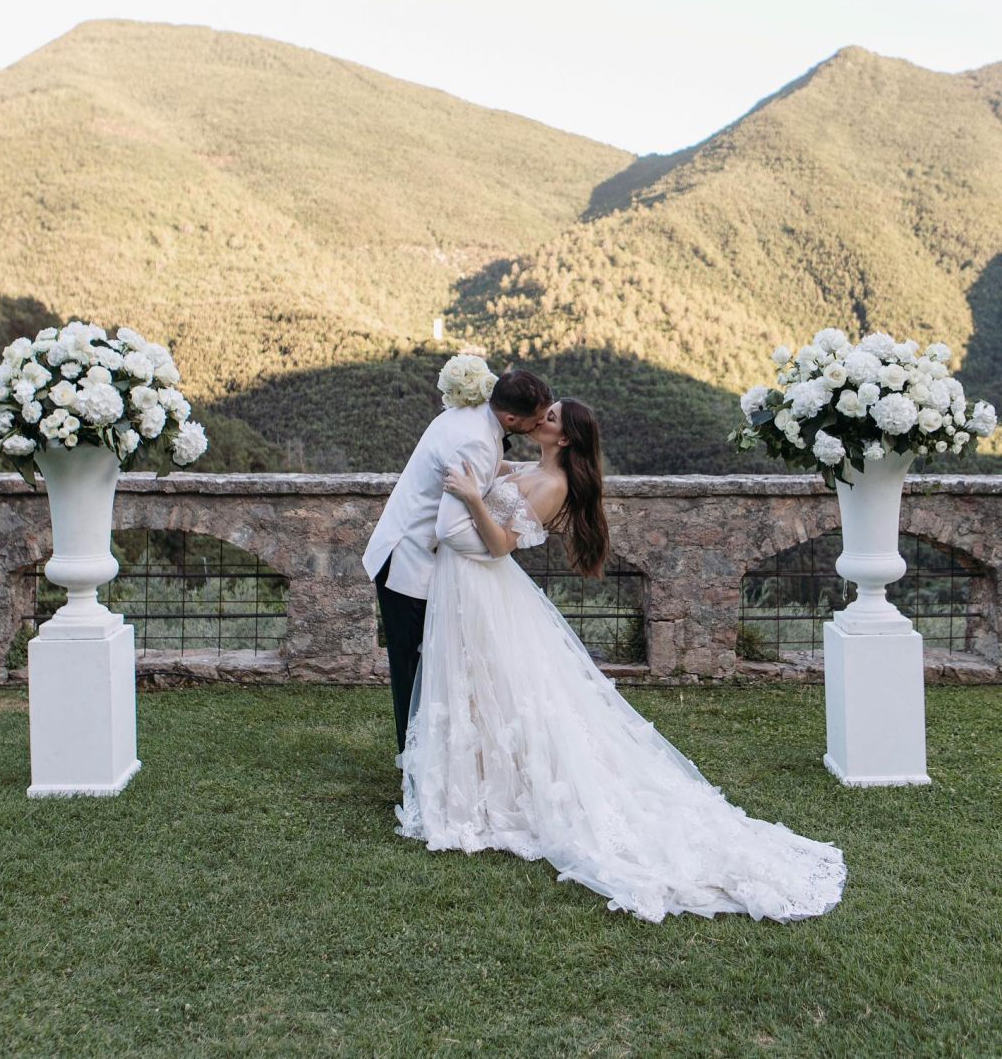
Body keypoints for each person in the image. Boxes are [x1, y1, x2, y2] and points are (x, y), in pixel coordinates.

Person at [396, 398, 847, 923]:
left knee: (510, 689)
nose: (542, 416)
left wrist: (473, 498)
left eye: (551, 417)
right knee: (485, 685)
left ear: (563, 439)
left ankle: (501, 788)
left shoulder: (553, 486)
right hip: (471, 587)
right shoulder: (532, 468)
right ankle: (479, 776)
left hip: (486, 581)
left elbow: (499, 546)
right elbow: (494, 465)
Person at [362, 369, 553, 762]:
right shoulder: (477, 441)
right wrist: (495, 554)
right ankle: (416, 765)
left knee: (432, 664)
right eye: (538, 418)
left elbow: (483, 471)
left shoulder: (475, 418)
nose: (542, 423)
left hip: (408, 551)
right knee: (414, 670)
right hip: (409, 563)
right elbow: (449, 529)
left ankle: (434, 760)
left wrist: (522, 472)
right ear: (512, 420)